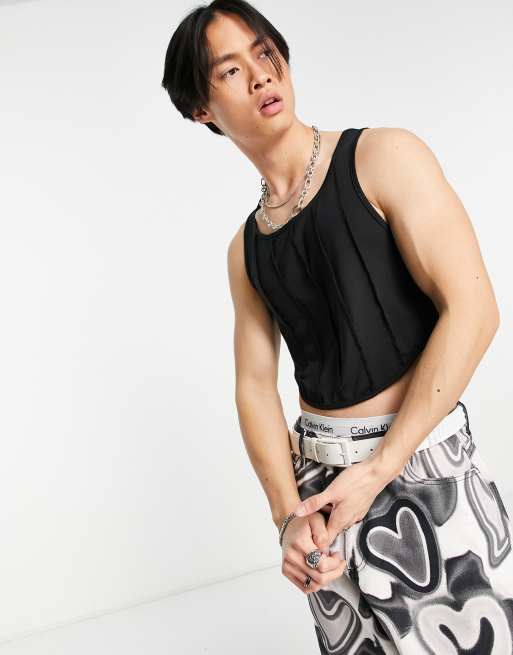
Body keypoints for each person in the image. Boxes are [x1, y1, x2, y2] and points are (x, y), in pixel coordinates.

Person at [161, 1, 513, 652]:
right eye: (230, 71)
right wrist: (286, 516)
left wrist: (381, 467)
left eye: (265, 53)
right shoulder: (246, 250)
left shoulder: (384, 155)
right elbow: (254, 385)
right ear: (200, 110)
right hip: (321, 493)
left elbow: (474, 308)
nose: (261, 75)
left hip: (421, 466)